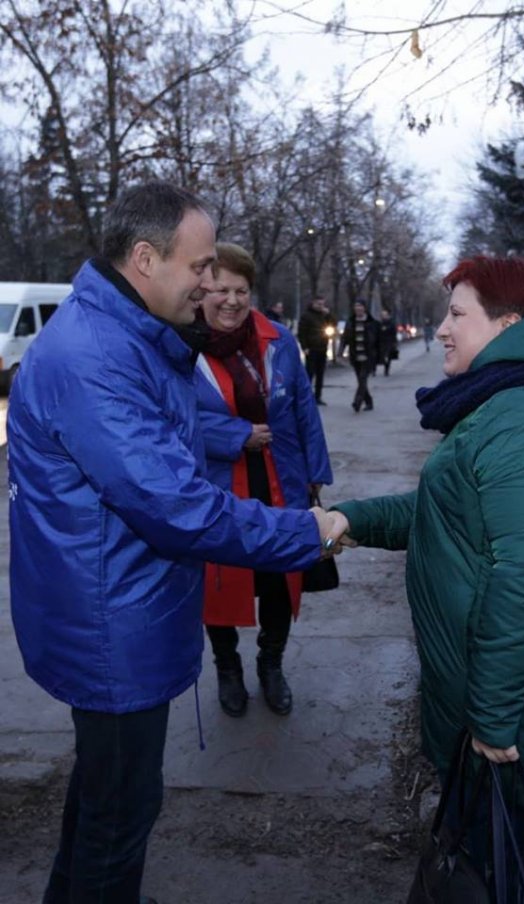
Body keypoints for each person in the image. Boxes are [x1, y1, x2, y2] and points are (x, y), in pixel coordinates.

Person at [8, 181, 342, 904]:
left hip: (119, 610)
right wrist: (302, 533)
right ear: (145, 259)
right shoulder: (96, 357)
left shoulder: (127, 337)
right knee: (118, 816)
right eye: (198, 267)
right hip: (110, 627)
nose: (207, 282)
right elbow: (175, 505)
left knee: (108, 801)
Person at [329, 254, 524, 886]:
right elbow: (448, 512)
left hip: (517, 716)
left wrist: (492, 718)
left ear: (508, 325)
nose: (444, 329)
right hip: (506, 704)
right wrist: (350, 518)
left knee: (518, 865)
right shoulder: (502, 405)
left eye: (458, 314)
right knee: (518, 859)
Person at [195, 243, 332, 717]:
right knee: (219, 581)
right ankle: (227, 669)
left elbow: (302, 410)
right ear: (201, 291)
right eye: (220, 290)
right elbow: (169, 420)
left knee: (279, 578)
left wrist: (316, 475)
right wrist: (232, 435)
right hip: (215, 483)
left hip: (281, 479)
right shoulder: (180, 346)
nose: (231, 300)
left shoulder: (277, 338)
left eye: (241, 290)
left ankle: (271, 666)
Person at [340, 299, 381, 412]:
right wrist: (340, 352)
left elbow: (378, 341)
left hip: (368, 356)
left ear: (364, 308)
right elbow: (345, 338)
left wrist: (380, 357)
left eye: (360, 306)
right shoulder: (351, 322)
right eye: (356, 306)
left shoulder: (372, 323)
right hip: (355, 355)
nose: (358, 308)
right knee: (361, 381)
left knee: (363, 378)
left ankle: (357, 402)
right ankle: (369, 401)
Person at [297, 295, 334, 405]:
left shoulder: (324, 315)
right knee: (309, 373)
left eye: (322, 304)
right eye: (318, 304)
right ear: (313, 303)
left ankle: (318, 396)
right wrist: (305, 347)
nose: (320, 306)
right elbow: (302, 332)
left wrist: (329, 315)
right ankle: (306, 396)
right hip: (312, 348)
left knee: (320, 374)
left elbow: (333, 325)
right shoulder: (307, 316)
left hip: (322, 348)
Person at [377, 307, 399, 376]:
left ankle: (386, 369)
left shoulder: (391, 323)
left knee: (388, 356)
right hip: (381, 342)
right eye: (383, 315)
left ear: (388, 315)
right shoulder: (380, 323)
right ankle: (374, 368)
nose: (384, 316)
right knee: (380, 355)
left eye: (385, 315)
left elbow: (394, 332)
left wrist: (395, 342)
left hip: (389, 342)